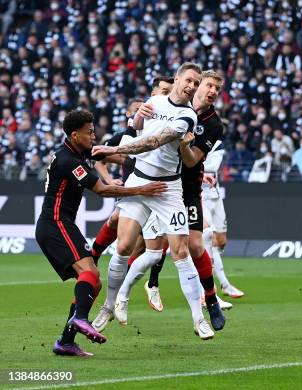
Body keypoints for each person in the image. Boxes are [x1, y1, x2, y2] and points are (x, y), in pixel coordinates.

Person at [90, 62, 216, 341]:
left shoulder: (188, 116)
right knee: (123, 245)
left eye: (197, 83)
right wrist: (137, 118)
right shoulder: (155, 100)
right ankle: (109, 306)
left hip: (167, 189)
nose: (192, 86)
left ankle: (199, 318)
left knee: (181, 251)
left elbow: (154, 142)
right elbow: (139, 130)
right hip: (138, 181)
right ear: (178, 78)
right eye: (190, 80)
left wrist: (115, 149)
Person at [36, 109, 166, 357]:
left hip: (61, 223)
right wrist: (143, 189)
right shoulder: (69, 161)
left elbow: (110, 156)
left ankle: (66, 341)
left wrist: (141, 160)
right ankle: (81, 319)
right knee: (90, 273)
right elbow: (104, 191)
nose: (93, 137)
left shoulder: (75, 151)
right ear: (75, 135)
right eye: (89, 133)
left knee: (92, 284)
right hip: (55, 223)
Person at [89, 76, 174, 314]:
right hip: (133, 189)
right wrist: (108, 179)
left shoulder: (166, 124)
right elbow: (100, 159)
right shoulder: (127, 133)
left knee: (155, 245)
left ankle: (143, 286)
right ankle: (95, 259)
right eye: (162, 91)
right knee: (118, 225)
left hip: (159, 190)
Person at [202, 140, 245, 299]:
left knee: (220, 242)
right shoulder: (190, 137)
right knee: (209, 241)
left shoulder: (217, 143)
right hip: (201, 197)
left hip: (215, 194)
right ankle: (221, 285)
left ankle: (213, 279)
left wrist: (197, 162)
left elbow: (213, 165)